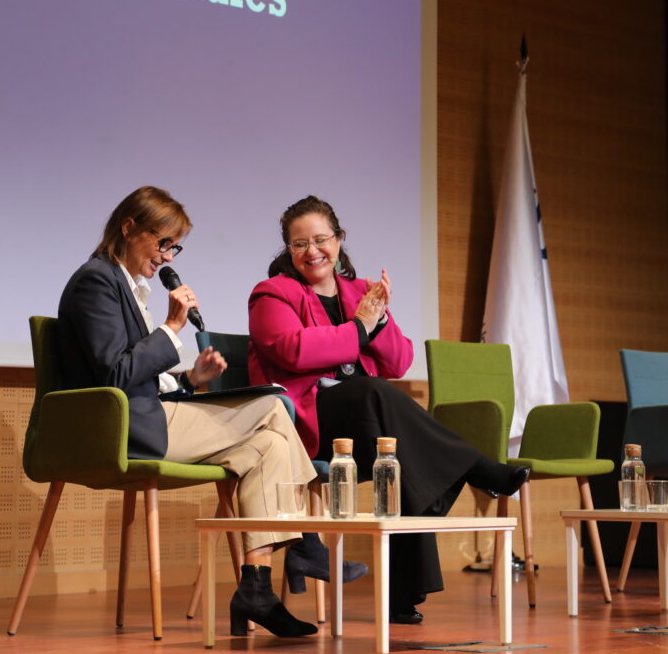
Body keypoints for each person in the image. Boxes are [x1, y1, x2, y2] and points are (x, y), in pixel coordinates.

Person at [57, 186, 351, 638]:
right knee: (274, 405)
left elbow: (138, 376)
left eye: (175, 247)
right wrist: (173, 329)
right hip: (118, 428)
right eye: (162, 243)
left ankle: (255, 588)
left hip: (150, 414)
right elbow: (115, 375)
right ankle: (307, 543)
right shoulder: (96, 280)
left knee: (271, 444)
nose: (166, 257)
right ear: (129, 227)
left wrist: (191, 379)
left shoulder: (128, 285)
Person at [248, 196, 531, 624]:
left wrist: (376, 322)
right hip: (306, 423)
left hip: (360, 420)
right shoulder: (273, 292)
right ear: (288, 250)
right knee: (374, 392)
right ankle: (476, 467)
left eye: (321, 239)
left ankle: (401, 595)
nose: (312, 251)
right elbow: (293, 351)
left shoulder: (362, 292)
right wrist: (359, 327)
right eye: (299, 243)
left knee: (400, 455)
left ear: (339, 241)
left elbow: (399, 359)